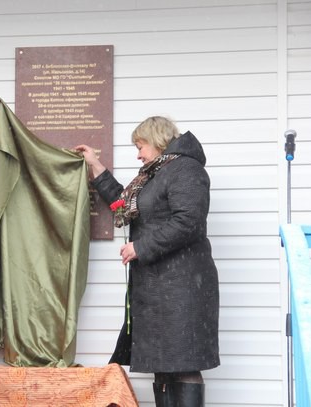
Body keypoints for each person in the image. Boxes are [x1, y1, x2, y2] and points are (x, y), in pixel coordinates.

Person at [75, 116, 220, 407]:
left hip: (183, 288)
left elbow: (189, 221)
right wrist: (95, 165)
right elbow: (124, 202)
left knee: (183, 364)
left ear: (158, 142)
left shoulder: (186, 169)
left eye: (141, 146)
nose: (138, 154)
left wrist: (141, 246)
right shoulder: (154, 174)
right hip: (158, 289)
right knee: (163, 365)